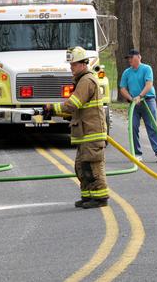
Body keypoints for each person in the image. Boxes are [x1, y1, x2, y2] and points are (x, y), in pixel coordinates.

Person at [45, 47, 109, 209]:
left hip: (91, 133)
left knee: (92, 166)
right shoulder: (82, 81)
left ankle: (100, 198)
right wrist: (54, 112)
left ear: (83, 64)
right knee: (81, 167)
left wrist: (52, 108)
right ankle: (88, 196)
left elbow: (73, 104)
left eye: (73, 64)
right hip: (85, 133)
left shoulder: (86, 81)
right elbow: (78, 110)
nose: (71, 67)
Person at [119, 49, 157, 163]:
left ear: (139, 57)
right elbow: (122, 88)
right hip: (134, 103)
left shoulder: (146, 68)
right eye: (128, 58)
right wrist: (131, 98)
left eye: (131, 57)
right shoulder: (127, 72)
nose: (129, 60)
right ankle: (137, 153)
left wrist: (140, 96)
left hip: (148, 101)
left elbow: (149, 84)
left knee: (152, 126)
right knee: (133, 127)